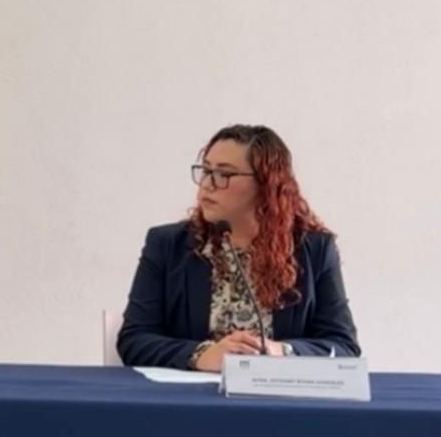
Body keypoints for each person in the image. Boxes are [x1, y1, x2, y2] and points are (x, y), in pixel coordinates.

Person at [117, 125, 359, 371]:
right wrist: (201, 355)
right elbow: (134, 340)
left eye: (224, 174)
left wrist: (283, 351)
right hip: (193, 393)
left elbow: (343, 346)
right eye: (206, 170)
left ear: (266, 184)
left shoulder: (315, 250)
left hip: (277, 391)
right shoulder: (167, 245)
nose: (207, 184)